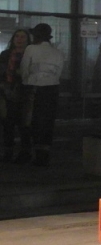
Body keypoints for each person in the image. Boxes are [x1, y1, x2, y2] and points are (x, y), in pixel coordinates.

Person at [19, 23, 66, 167]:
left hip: (33, 87)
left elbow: (24, 69)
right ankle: (43, 155)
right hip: (52, 89)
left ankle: (26, 152)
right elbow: (58, 73)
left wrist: (26, 82)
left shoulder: (31, 49)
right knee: (46, 121)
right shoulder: (58, 53)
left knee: (29, 120)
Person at [1, 28, 30, 162]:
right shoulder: (6, 54)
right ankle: (8, 151)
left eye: (22, 37)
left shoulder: (30, 54)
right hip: (7, 91)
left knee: (24, 123)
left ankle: (25, 152)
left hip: (24, 93)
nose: (19, 39)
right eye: (17, 36)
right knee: (7, 123)